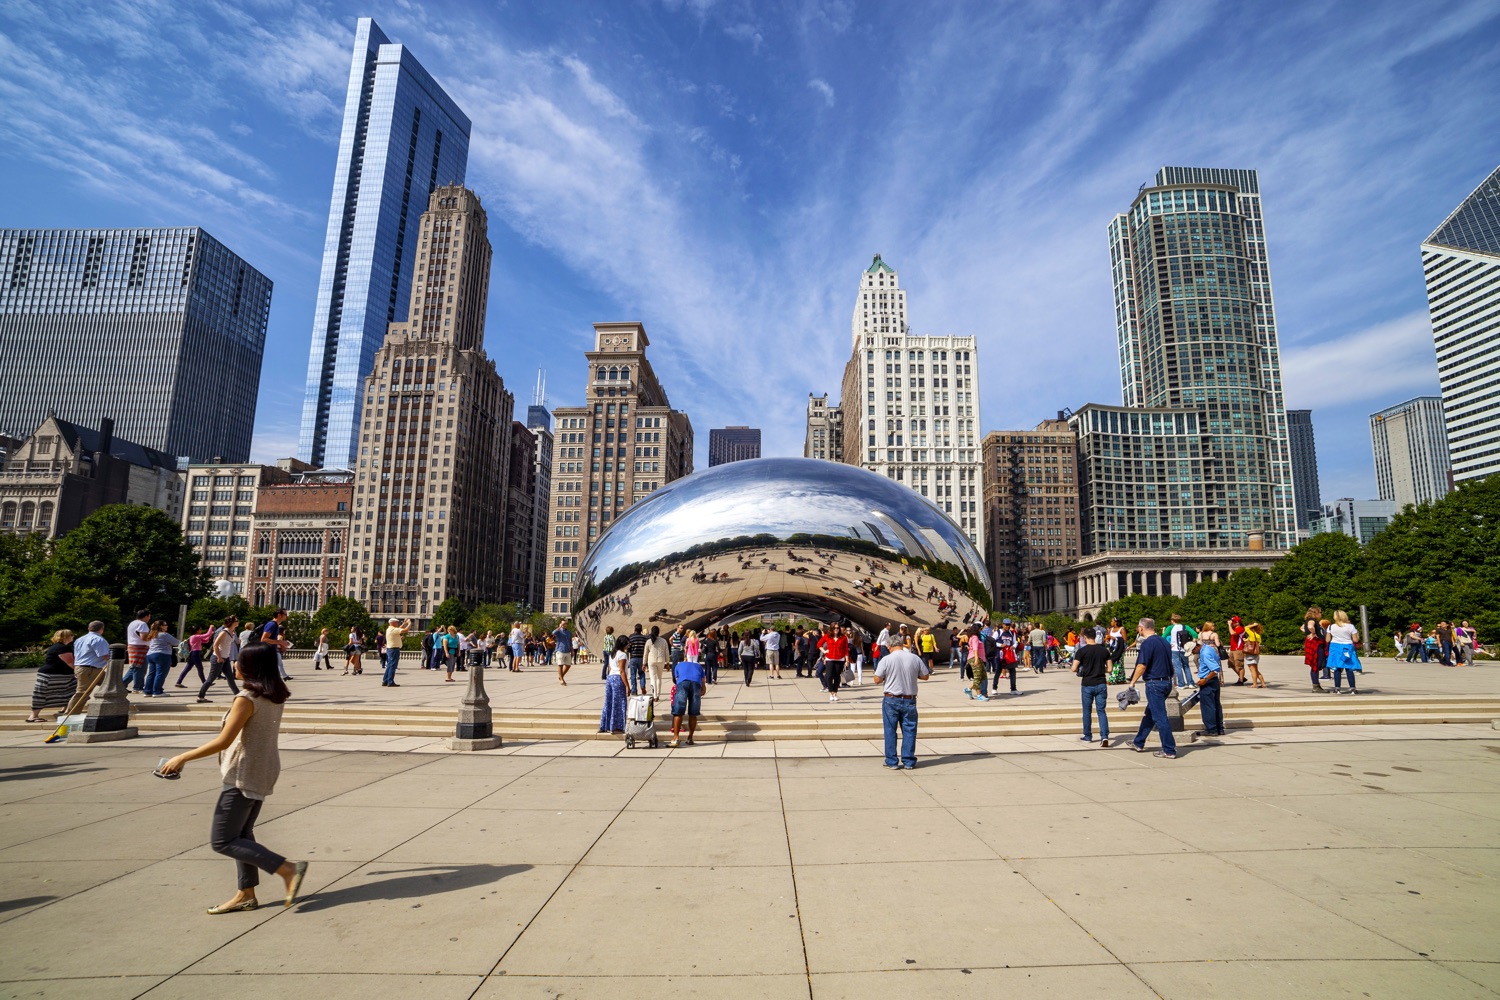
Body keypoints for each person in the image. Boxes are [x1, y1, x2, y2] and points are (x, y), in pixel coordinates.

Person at [158, 643, 307, 915]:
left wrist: (182, 758)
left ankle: (287, 869)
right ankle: (245, 894)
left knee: (223, 840)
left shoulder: (247, 698)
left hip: (243, 773)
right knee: (242, 835)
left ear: (250, 666)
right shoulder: (274, 694)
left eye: (238, 661)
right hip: (264, 769)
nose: (234, 664)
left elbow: (224, 741)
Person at [875, 634, 931, 770]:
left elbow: (877, 679)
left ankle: (892, 761)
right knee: (910, 730)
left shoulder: (886, 659)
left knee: (890, 730)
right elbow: (925, 676)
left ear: (890, 646)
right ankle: (908, 760)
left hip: (891, 699)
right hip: (909, 699)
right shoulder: (914, 658)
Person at [1127, 618, 1177, 759]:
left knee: (1160, 718)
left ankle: (1169, 749)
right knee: (1150, 713)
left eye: (1138, 628)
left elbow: (1142, 665)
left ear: (1142, 628)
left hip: (1154, 683)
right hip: (1166, 682)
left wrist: (1132, 682)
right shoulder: (1164, 642)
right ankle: (1139, 742)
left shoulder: (1148, 643)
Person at [26, 629, 76, 723]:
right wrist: (77, 671)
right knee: (43, 694)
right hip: (54, 675)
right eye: (71, 635)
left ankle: (64, 709)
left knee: (69, 691)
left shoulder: (56, 647)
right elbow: (70, 662)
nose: (73, 636)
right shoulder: (62, 648)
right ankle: (33, 716)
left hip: (55, 674)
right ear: (66, 637)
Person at [1071, 627, 1110, 746]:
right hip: (1101, 683)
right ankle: (1104, 736)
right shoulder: (1104, 650)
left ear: (1085, 637)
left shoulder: (1082, 651)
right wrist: (1099, 669)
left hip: (1088, 683)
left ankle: (1088, 735)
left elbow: (1073, 668)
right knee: (1101, 711)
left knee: (1087, 711)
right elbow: (1110, 668)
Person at [63, 620, 111, 716]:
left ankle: (108, 706)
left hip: (83, 667)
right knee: (82, 693)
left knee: (111, 685)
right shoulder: (98, 639)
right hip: (91, 669)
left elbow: (77, 655)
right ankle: (70, 714)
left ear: (89, 628)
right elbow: (104, 655)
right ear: (102, 629)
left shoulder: (79, 639)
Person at [1193, 621, 1226, 738]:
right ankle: (1219, 728)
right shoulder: (1209, 648)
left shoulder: (1205, 653)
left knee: (1208, 706)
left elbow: (1215, 668)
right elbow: (1216, 661)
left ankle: (1211, 729)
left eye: (1193, 651)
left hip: (1208, 681)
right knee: (1216, 704)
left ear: (1197, 647)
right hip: (1214, 681)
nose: (1193, 653)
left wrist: (1205, 679)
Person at [199, 616, 241, 703]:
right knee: (211, 678)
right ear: (232, 622)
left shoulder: (232, 632)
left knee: (230, 678)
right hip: (218, 658)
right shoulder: (224, 632)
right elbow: (215, 645)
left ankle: (238, 695)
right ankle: (200, 696)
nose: (238, 622)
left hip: (225, 658)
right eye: (236, 620)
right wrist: (219, 657)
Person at [669, 649, 705, 747]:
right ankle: (690, 738)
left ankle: (675, 738)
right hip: (696, 684)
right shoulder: (699, 666)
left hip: (683, 682)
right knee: (693, 713)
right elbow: (703, 680)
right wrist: (703, 690)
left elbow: (676, 679)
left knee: (678, 711)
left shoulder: (679, 665)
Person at [598, 642, 631, 734]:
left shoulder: (612, 654)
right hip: (617, 678)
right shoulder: (622, 655)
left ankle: (605, 725)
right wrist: (627, 686)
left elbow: (609, 667)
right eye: (627, 644)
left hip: (610, 678)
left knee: (609, 702)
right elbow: (622, 670)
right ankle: (617, 726)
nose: (628, 645)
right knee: (619, 702)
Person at [1327, 610, 1362, 694]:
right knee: (1349, 667)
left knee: (1336, 668)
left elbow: (1327, 639)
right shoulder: (1351, 626)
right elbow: (1355, 640)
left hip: (1335, 647)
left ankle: (1337, 688)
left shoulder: (1331, 627)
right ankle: (1352, 688)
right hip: (1347, 647)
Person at [144, 620, 178, 697]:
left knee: (151, 673)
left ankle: (148, 691)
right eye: (165, 625)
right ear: (161, 626)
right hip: (162, 655)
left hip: (150, 654)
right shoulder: (164, 635)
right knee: (160, 673)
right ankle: (157, 691)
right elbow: (176, 642)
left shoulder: (152, 635)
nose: (167, 626)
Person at [1164, 614, 1197, 688]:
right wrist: (1193, 641)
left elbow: (1163, 637)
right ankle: (1190, 683)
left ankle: (1181, 684)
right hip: (1184, 648)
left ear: (1172, 621)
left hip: (1174, 649)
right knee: (1186, 666)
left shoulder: (1170, 628)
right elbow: (1195, 634)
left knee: (1178, 667)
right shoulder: (1185, 627)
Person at [259, 610, 292, 682]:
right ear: (279, 615)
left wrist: (281, 644)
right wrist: (280, 642)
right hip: (267, 651)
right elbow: (264, 639)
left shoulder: (275, 625)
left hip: (271, 651)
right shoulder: (272, 624)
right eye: (285, 614)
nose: (286, 616)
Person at [124, 608, 151, 693]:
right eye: (149, 616)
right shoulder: (142, 624)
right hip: (140, 647)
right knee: (140, 668)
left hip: (133, 646)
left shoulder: (132, 623)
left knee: (134, 667)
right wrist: (153, 637)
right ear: (146, 616)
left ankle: (121, 684)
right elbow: (143, 637)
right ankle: (138, 687)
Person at [382, 618, 411, 687]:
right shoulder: (393, 629)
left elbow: (399, 628)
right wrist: (409, 623)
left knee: (389, 665)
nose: (397, 623)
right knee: (393, 665)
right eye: (396, 622)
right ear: (393, 623)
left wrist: (404, 624)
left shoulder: (389, 629)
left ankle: (385, 680)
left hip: (390, 649)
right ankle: (390, 681)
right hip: (394, 649)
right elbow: (405, 630)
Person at [645, 625, 671, 700]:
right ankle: (658, 694)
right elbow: (666, 652)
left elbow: (645, 653)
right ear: (659, 632)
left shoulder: (649, 641)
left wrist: (644, 663)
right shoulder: (663, 641)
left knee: (652, 678)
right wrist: (668, 663)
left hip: (651, 661)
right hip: (661, 660)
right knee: (659, 678)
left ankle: (654, 695)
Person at [964, 626, 988, 701]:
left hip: (980, 659)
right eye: (980, 629)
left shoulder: (973, 637)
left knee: (982, 677)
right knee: (977, 677)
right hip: (975, 658)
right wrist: (976, 659)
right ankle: (978, 695)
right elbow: (975, 648)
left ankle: (969, 689)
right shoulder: (974, 637)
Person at [1243, 620, 1267, 688]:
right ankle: (1263, 683)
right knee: (1256, 670)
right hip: (1256, 654)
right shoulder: (1258, 636)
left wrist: (1253, 624)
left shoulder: (1251, 634)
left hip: (1250, 654)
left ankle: (1255, 684)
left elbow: (1246, 628)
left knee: (1252, 670)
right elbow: (1255, 643)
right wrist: (1246, 640)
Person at [625, 624, 648, 692]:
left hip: (633, 657)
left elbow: (628, 648)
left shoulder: (631, 638)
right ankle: (642, 685)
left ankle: (634, 689)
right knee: (641, 673)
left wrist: (630, 651)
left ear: (635, 629)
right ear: (641, 630)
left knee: (633, 674)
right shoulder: (644, 638)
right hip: (641, 657)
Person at [1106, 618, 1129, 684]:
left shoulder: (1122, 629)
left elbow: (1124, 640)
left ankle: (1112, 679)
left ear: (1116, 622)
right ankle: (1121, 679)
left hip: (1119, 649)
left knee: (1118, 663)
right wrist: (1107, 640)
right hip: (1112, 649)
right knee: (1115, 663)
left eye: (1112, 621)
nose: (1111, 622)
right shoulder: (1111, 629)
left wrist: (1115, 638)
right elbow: (1109, 637)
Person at [1226, 617, 1247, 684]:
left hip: (1238, 649)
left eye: (1233, 622)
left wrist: (1229, 625)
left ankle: (1241, 680)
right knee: (1231, 664)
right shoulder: (1234, 628)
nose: (1232, 623)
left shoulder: (1240, 628)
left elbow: (1232, 633)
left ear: (1237, 623)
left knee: (1239, 665)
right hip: (1232, 649)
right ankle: (1242, 677)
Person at [553, 621, 575, 686]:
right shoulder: (558, 631)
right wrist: (559, 627)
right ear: (560, 624)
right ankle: (562, 680)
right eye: (563, 624)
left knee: (568, 665)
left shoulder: (569, 632)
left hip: (567, 650)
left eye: (565, 624)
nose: (564, 625)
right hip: (560, 650)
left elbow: (570, 642)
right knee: (560, 665)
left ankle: (561, 676)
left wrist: (572, 650)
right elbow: (553, 633)